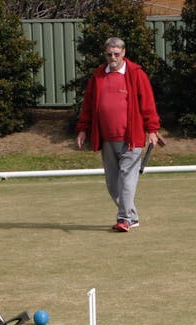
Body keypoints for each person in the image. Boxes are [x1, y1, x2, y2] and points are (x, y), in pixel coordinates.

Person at [76, 37, 161, 232]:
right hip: (106, 139)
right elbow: (88, 106)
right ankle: (131, 216)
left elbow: (147, 103)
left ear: (124, 53)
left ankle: (124, 219)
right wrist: (82, 129)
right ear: (105, 54)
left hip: (131, 138)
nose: (113, 57)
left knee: (126, 179)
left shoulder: (136, 74)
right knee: (113, 184)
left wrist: (152, 130)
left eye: (116, 53)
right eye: (109, 54)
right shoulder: (98, 76)